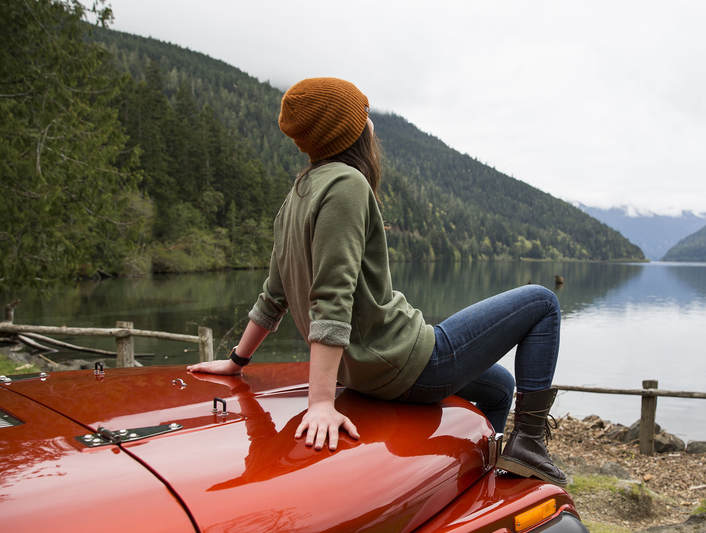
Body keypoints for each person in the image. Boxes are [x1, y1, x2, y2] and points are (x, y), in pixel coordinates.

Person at [187, 77, 566, 487]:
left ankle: (481, 475)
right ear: (346, 129)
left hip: (366, 373)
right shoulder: (346, 184)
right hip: (409, 362)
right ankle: (527, 444)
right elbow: (333, 297)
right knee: (542, 302)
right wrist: (320, 403)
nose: (371, 122)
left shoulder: (296, 197)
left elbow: (273, 294)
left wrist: (237, 361)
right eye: (364, 113)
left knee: (501, 386)